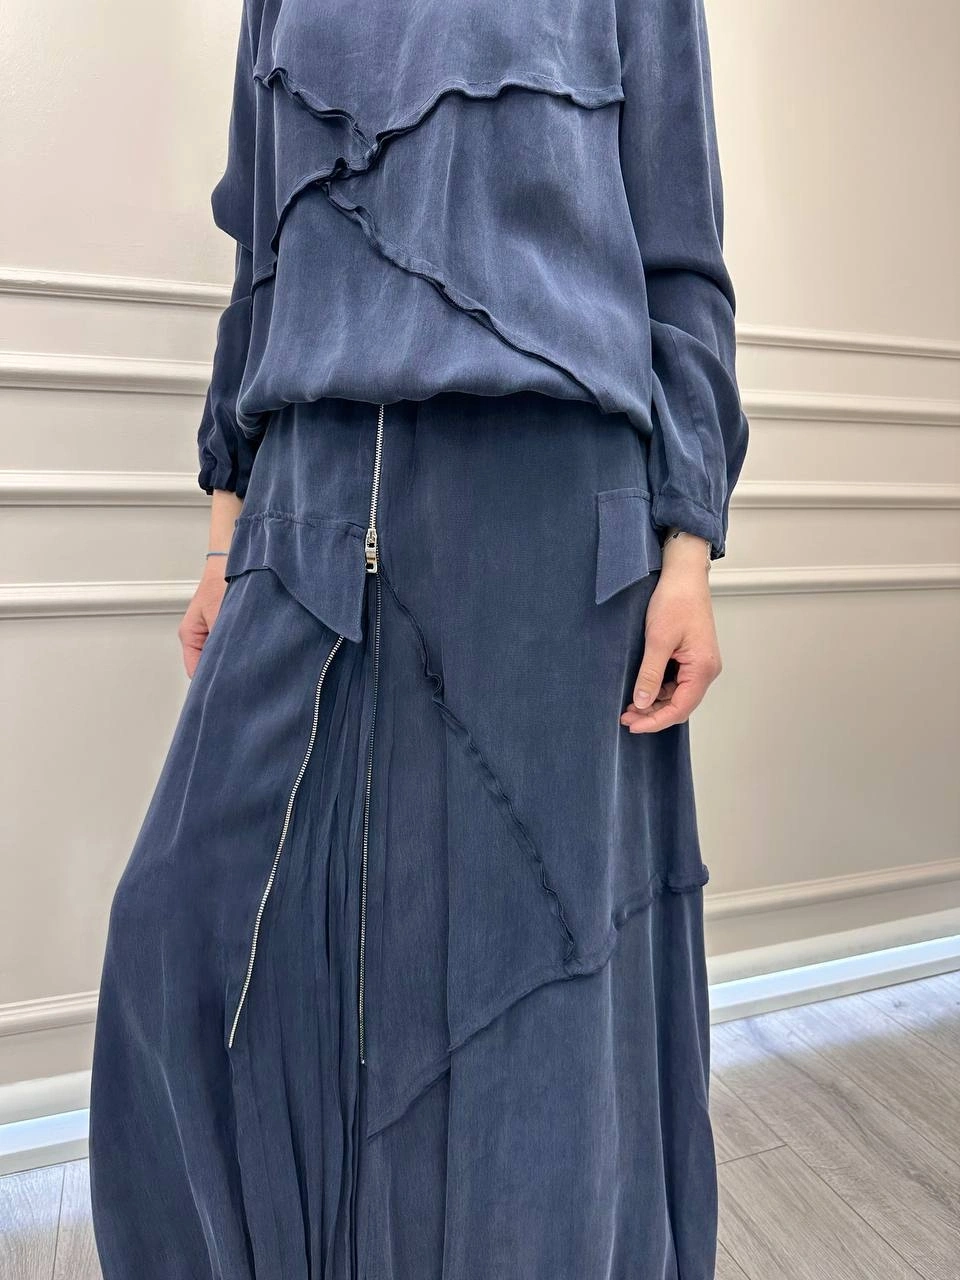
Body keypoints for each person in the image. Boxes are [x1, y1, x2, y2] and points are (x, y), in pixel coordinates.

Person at [88, 0, 749, 1275]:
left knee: (518, 1014)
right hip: (308, 489)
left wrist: (688, 548)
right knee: (172, 928)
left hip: (550, 514)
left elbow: (680, 261)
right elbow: (261, 266)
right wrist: (224, 537)